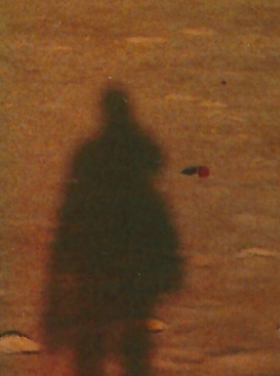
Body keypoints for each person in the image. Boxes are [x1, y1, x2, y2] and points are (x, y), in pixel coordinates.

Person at [41, 85, 183, 376]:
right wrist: (171, 265)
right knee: (135, 350)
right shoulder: (141, 168)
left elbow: (70, 216)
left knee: (92, 348)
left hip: (96, 263)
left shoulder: (90, 160)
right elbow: (159, 219)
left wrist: (57, 273)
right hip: (136, 268)